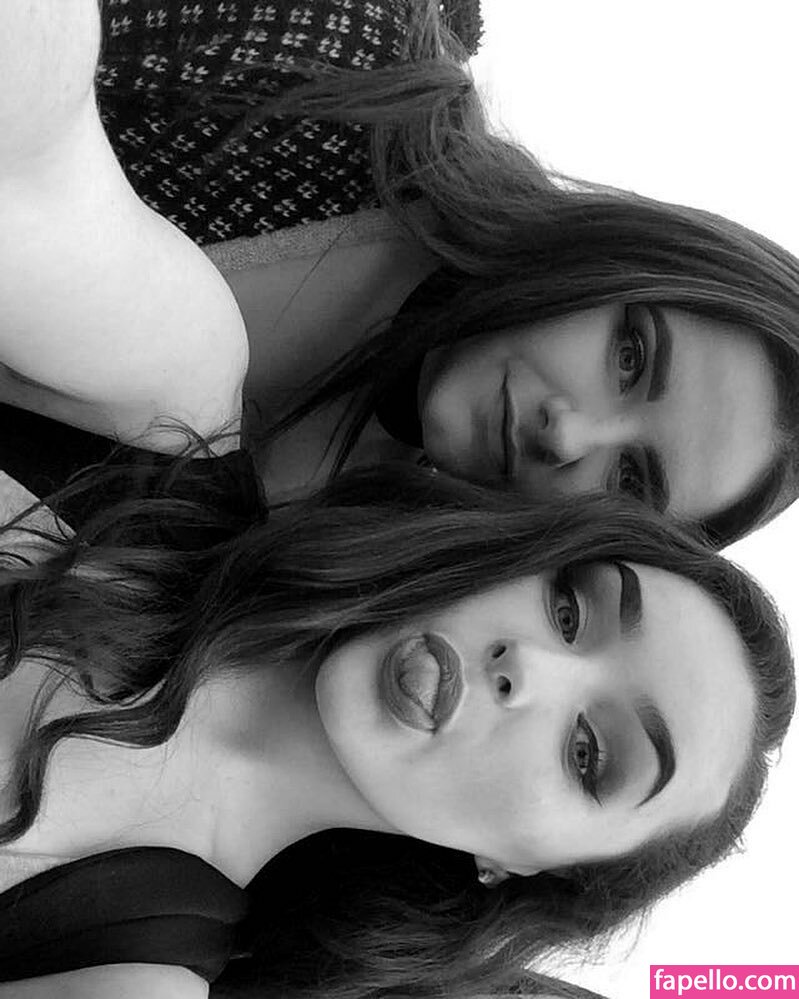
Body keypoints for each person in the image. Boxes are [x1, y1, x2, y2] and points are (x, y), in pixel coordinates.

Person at [2, 0, 799, 547]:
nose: (567, 434)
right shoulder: (341, 60)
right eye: (628, 357)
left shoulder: (357, 600)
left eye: (628, 478)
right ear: (615, 256)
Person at [0, 463, 794, 998]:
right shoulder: (166, 432)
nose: (527, 665)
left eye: (586, 754)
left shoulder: (121, 973)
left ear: (521, 867)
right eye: (567, 610)